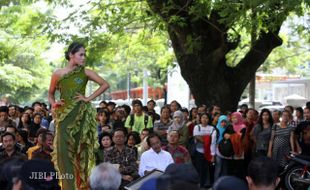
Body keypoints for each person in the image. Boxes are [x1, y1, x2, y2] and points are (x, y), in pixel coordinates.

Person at [48, 42, 110, 190]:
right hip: (63, 117)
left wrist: (88, 98)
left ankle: (82, 186)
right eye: (81, 54)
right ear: (71, 55)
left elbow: (105, 84)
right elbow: (50, 94)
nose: (84, 57)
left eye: (84, 54)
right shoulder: (58, 73)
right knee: (63, 154)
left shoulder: (86, 72)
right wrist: (54, 103)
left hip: (81, 116)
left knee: (81, 152)